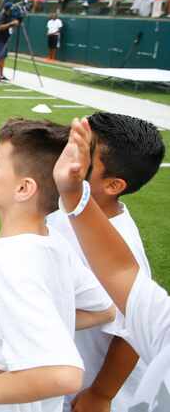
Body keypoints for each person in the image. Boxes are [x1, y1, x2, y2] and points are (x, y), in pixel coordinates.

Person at [0, 119, 116, 411]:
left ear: (23, 188)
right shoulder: (53, 241)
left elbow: (64, 376)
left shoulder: (8, 263)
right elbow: (104, 308)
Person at [47, 113, 164, 411]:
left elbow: (133, 334)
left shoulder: (121, 246)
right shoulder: (67, 205)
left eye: (85, 152)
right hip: (57, 368)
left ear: (113, 185)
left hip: (82, 389)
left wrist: (101, 394)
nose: (71, 154)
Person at [0, 6, 17, 82]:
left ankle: (1, 75)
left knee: (2, 58)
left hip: (5, 40)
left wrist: (14, 23)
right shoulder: (1, 17)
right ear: (7, 10)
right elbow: (0, 27)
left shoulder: (9, 17)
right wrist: (11, 24)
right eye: (10, 10)